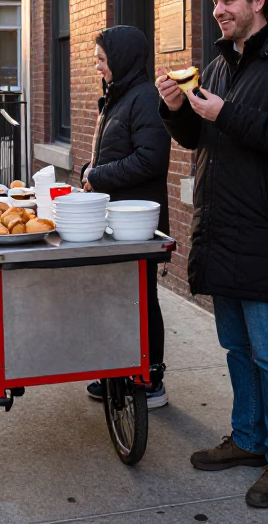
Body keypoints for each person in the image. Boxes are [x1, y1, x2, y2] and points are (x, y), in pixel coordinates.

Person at [156, 0, 268, 509]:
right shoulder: (218, 64)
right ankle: (248, 439)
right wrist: (177, 110)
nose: (219, 11)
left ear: (258, 2)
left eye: (228, 1)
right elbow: (201, 137)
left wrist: (226, 113)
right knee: (236, 347)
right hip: (222, 225)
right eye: (214, 4)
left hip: (266, 231)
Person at [79, 25, 171, 409]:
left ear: (121, 59)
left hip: (136, 222)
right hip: (114, 220)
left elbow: (150, 160)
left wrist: (97, 175)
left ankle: (150, 382)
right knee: (118, 297)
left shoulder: (145, 98)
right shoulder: (117, 97)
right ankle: (118, 374)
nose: (97, 66)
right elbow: (113, 153)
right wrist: (89, 169)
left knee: (141, 297)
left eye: (102, 59)